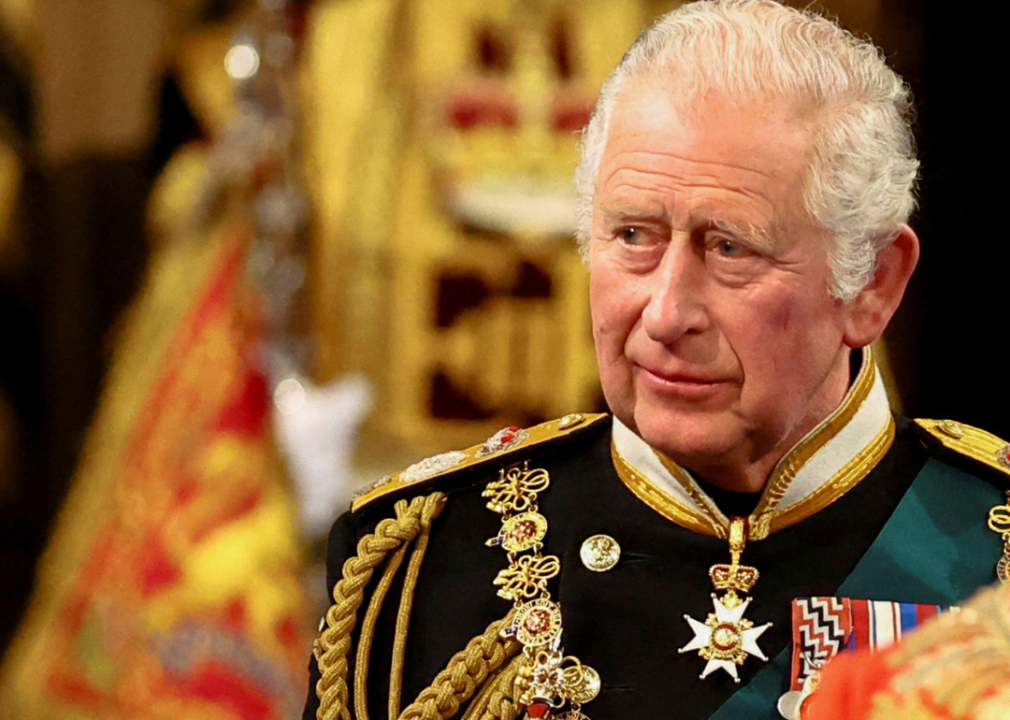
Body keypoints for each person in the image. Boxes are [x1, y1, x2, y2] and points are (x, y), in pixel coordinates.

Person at [304, 2, 1010, 719]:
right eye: (634, 235)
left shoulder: (992, 557)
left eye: (730, 248)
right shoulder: (421, 564)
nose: (666, 313)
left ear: (872, 284)